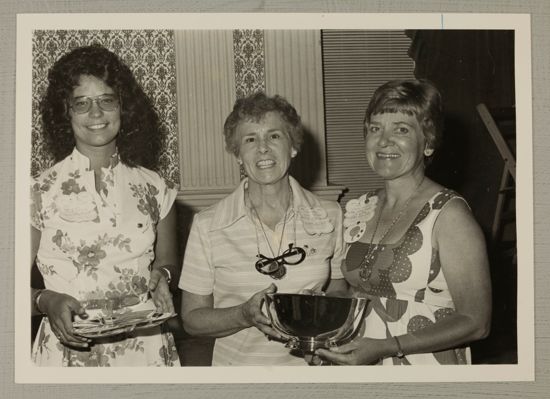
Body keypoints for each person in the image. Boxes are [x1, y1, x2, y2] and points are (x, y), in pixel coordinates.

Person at [315, 79, 492, 365]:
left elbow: (476, 321)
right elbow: (356, 291)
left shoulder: (449, 214)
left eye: (401, 129)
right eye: (375, 129)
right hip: (358, 360)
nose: (384, 141)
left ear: (429, 143)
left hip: (422, 365)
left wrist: (387, 347)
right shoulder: (360, 208)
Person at [30, 45, 180, 366]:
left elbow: (167, 261)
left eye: (106, 100)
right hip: (69, 349)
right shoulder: (37, 192)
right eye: (81, 103)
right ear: (64, 111)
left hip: (145, 347)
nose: (96, 114)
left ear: (123, 108)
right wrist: (46, 299)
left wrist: (163, 275)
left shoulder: (157, 188)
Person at [179, 92, 347, 366]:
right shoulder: (209, 225)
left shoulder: (330, 216)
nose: (263, 148)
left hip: (311, 378)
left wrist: (319, 314)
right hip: (238, 382)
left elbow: (340, 291)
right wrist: (243, 315)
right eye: (250, 139)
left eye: (274, 136)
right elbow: (192, 319)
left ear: (293, 146)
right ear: (237, 153)